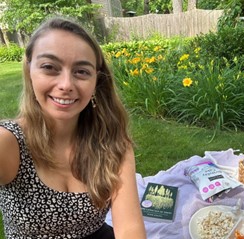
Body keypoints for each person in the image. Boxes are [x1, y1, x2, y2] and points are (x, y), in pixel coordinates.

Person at [0, 16, 147, 239]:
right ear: (29, 70)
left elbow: (129, 229)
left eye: (81, 71)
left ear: (96, 80)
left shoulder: (111, 142)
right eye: (49, 67)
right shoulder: (8, 142)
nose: (66, 85)